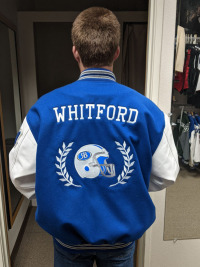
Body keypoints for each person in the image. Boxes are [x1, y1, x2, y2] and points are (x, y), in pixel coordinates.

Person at [9, 7, 180, 267]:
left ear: (75, 51)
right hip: (121, 237)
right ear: (117, 51)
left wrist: (59, 194)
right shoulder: (147, 111)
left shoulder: (43, 109)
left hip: (68, 238)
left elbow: (21, 174)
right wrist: (127, 187)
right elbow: (166, 174)